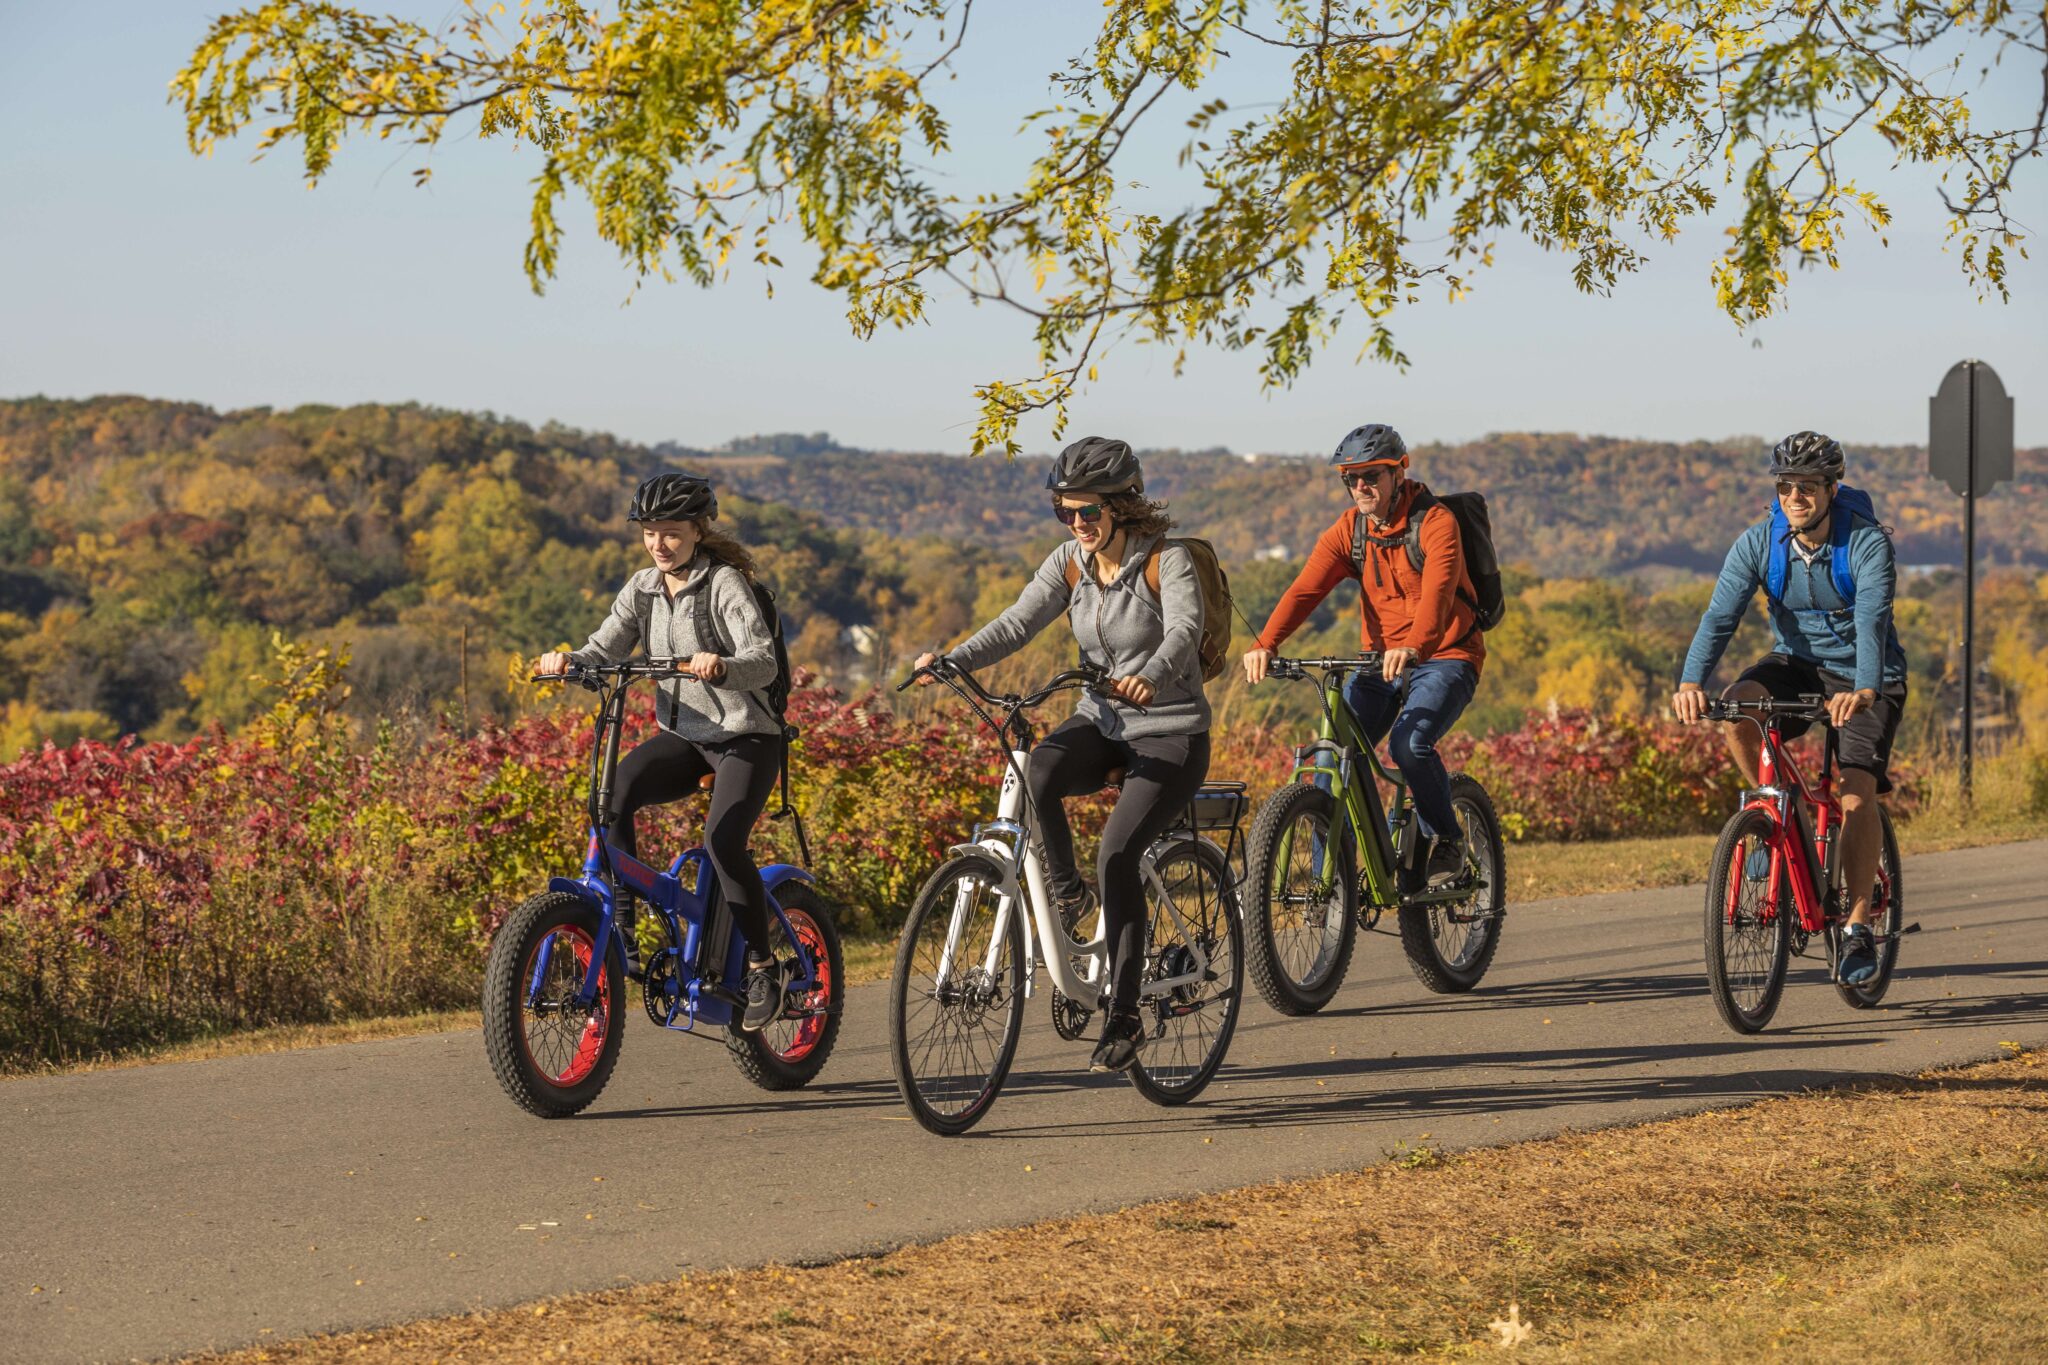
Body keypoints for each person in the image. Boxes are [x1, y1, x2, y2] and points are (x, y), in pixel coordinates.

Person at [914, 437, 1211, 1074]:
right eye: (1065, 512)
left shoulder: (1170, 559)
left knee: (1118, 853)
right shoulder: (1070, 562)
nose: (1077, 524)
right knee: (1037, 768)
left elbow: (1186, 629)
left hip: (1170, 727)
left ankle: (1126, 1012)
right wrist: (952, 660)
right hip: (1102, 719)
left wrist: (1152, 676)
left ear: (1123, 508)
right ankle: (1066, 893)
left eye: (1089, 513)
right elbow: (1017, 622)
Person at [534, 472, 789, 1032]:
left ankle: (763, 964)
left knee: (722, 842)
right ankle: (621, 925)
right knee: (614, 797)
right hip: (688, 737)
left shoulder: (723, 585)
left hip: (748, 737)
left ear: (698, 531)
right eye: (650, 533)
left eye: (671, 533)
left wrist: (723, 667)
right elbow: (604, 648)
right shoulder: (642, 588)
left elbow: (763, 659)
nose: (659, 544)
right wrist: (568, 662)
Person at [1673, 431, 1907, 985]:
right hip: (1797, 663)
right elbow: (1719, 618)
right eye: (1785, 486)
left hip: (1867, 677)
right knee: (1737, 710)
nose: (1794, 495)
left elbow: (1872, 622)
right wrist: (1689, 681)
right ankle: (1772, 816)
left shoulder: (1867, 545)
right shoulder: (1760, 544)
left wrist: (1866, 689)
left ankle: (1855, 929)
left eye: (1806, 486)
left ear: (1831, 489)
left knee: (1854, 794)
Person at [1241, 423, 1484, 891]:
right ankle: (1330, 883)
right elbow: (1305, 590)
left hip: (1446, 654)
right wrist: (1265, 643)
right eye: (1351, 479)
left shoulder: (1435, 523)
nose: (1360, 487)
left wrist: (1414, 645)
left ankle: (1449, 842)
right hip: (1377, 663)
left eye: (1371, 476)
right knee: (1333, 759)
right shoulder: (1350, 530)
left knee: (1407, 745)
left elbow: (1437, 596)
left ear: (1399, 473)